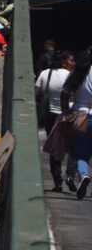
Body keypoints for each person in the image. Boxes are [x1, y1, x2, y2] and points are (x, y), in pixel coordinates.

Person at [35, 50, 75, 192]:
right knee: (72, 146)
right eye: (71, 60)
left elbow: (37, 92)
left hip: (50, 115)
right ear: (64, 62)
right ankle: (71, 175)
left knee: (55, 148)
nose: (74, 63)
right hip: (68, 114)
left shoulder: (45, 73)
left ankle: (57, 181)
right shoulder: (70, 76)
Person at [60, 47, 92, 200]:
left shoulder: (77, 73)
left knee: (79, 154)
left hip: (80, 117)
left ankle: (84, 174)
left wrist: (66, 113)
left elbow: (64, 94)